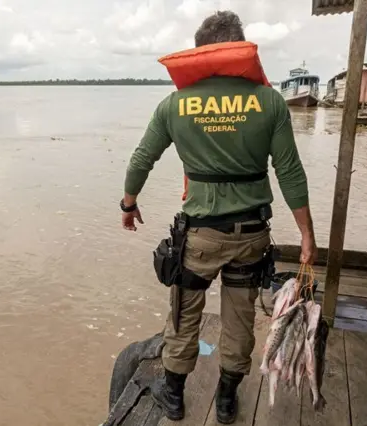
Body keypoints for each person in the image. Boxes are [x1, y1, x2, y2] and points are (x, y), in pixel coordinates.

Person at [119, 10, 317, 424]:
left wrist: (129, 203)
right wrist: (306, 235)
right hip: (250, 236)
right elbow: (291, 173)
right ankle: (226, 402)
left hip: (199, 239)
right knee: (239, 320)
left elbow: (142, 158)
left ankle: (173, 398)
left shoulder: (174, 105)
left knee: (183, 315)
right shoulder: (270, 101)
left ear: (201, 52)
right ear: (237, 46)